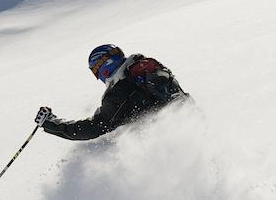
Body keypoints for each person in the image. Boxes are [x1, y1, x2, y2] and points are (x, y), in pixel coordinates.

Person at [36, 44, 189, 140]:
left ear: (103, 67)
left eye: (96, 72)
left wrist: (51, 123)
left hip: (164, 140)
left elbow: (92, 128)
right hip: (188, 123)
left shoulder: (120, 91)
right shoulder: (143, 69)